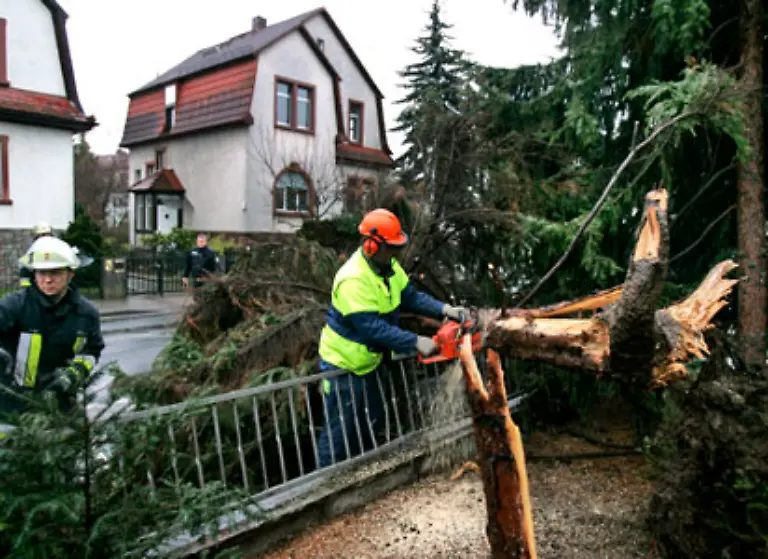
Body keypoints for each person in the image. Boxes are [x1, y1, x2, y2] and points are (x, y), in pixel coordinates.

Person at [316, 208, 465, 467]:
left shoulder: (389, 266)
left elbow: (411, 297)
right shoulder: (353, 279)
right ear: (372, 245)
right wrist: (415, 341)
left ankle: (363, 479)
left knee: (369, 425)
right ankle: (324, 491)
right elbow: (372, 328)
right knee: (340, 433)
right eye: (392, 248)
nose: (397, 253)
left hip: (370, 363)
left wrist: (444, 309)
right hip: (343, 366)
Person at [0, 236, 104, 419]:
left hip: (61, 402)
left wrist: (74, 374)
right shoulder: (14, 306)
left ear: (70, 274)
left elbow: (91, 351)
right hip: (13, 405)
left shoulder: (87, 314)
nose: (47, 280)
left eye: (55, 273)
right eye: (41, 273)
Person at [18, 222, 54, 288]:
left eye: (48, 234)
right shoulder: (34, 248)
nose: (46, 237)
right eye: (43, 235)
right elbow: (25, 265)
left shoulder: (55, 246)